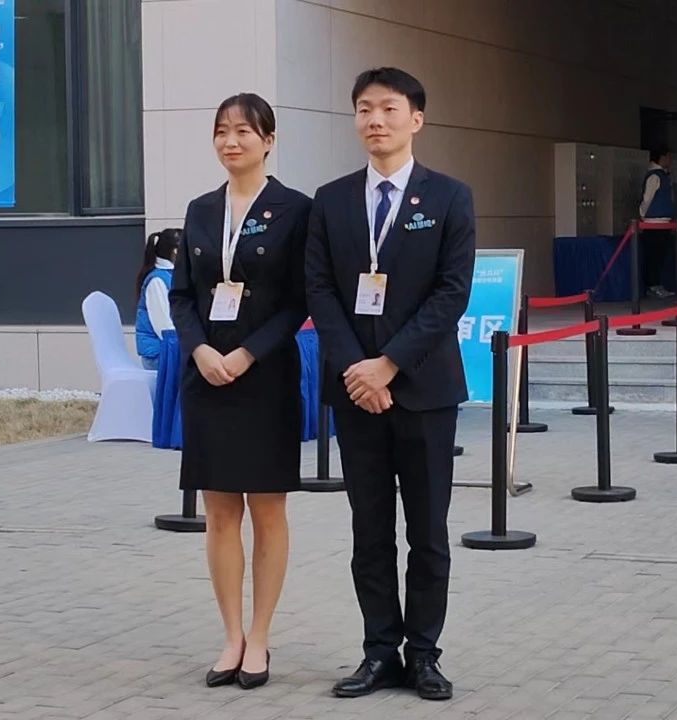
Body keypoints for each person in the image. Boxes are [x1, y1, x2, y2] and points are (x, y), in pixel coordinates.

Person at [306, 67, 474, 702]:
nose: (375, 120)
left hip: (425, 390)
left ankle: (424, 654)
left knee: (427, 532)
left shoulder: (449, 197)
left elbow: (451, 293)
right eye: (364, 109)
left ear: (416, 119)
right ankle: (379, 652)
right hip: (357, 394)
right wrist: (359, 369)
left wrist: (390, 364)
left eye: (389, 108)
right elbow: (319, 289)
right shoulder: (331, 200)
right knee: (369, 530)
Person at [168, 92, 311, 691]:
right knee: (220, 511)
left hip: (265, 377)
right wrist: (200, 351)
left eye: (244, 132)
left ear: (268, 141)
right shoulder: (200, 209)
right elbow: (181, 295)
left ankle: (260, 635)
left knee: (267, 510)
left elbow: (299, 301)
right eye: (222, 131)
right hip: (207, 378)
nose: (231, 141)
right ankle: (230, 636)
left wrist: (248, 352)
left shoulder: (296, 209)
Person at [134, 229, 181, 371]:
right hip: (159, 356)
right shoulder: (157, 281)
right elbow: (165, 329)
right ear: (175, 252)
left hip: (170, 351)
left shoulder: (172, 276)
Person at [638, 147, 675, 298]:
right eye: (668, 157)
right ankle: (652, 285)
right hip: (653, 222)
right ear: (662, 157)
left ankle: (656, 284)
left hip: (663, 222)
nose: (670, 160)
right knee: (654, 256)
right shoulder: (655, 176)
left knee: (660, 256)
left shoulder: (663, 175)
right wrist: (643, 214)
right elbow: (647, 198)